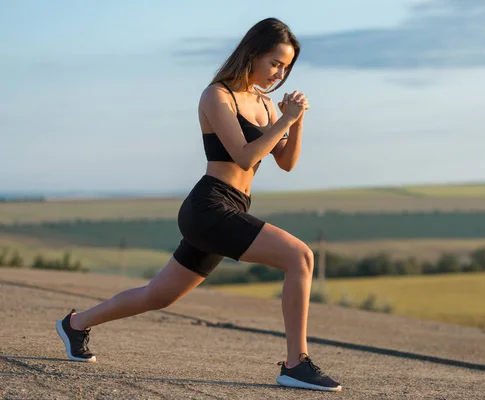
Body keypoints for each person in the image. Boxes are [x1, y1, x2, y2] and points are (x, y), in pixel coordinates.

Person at [55, 17, 342, 392]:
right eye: (275, 62)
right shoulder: (217, 96)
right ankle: (295, 363)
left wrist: (296, 121)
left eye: (286, 67)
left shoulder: (267, 106)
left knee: (157, 295)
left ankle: (75, 324)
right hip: (209, 206)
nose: (279, 73)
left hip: (233, 208)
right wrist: (284, 119)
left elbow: (286, 163)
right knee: (300, 257)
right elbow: (243, 155)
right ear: (252, 53)